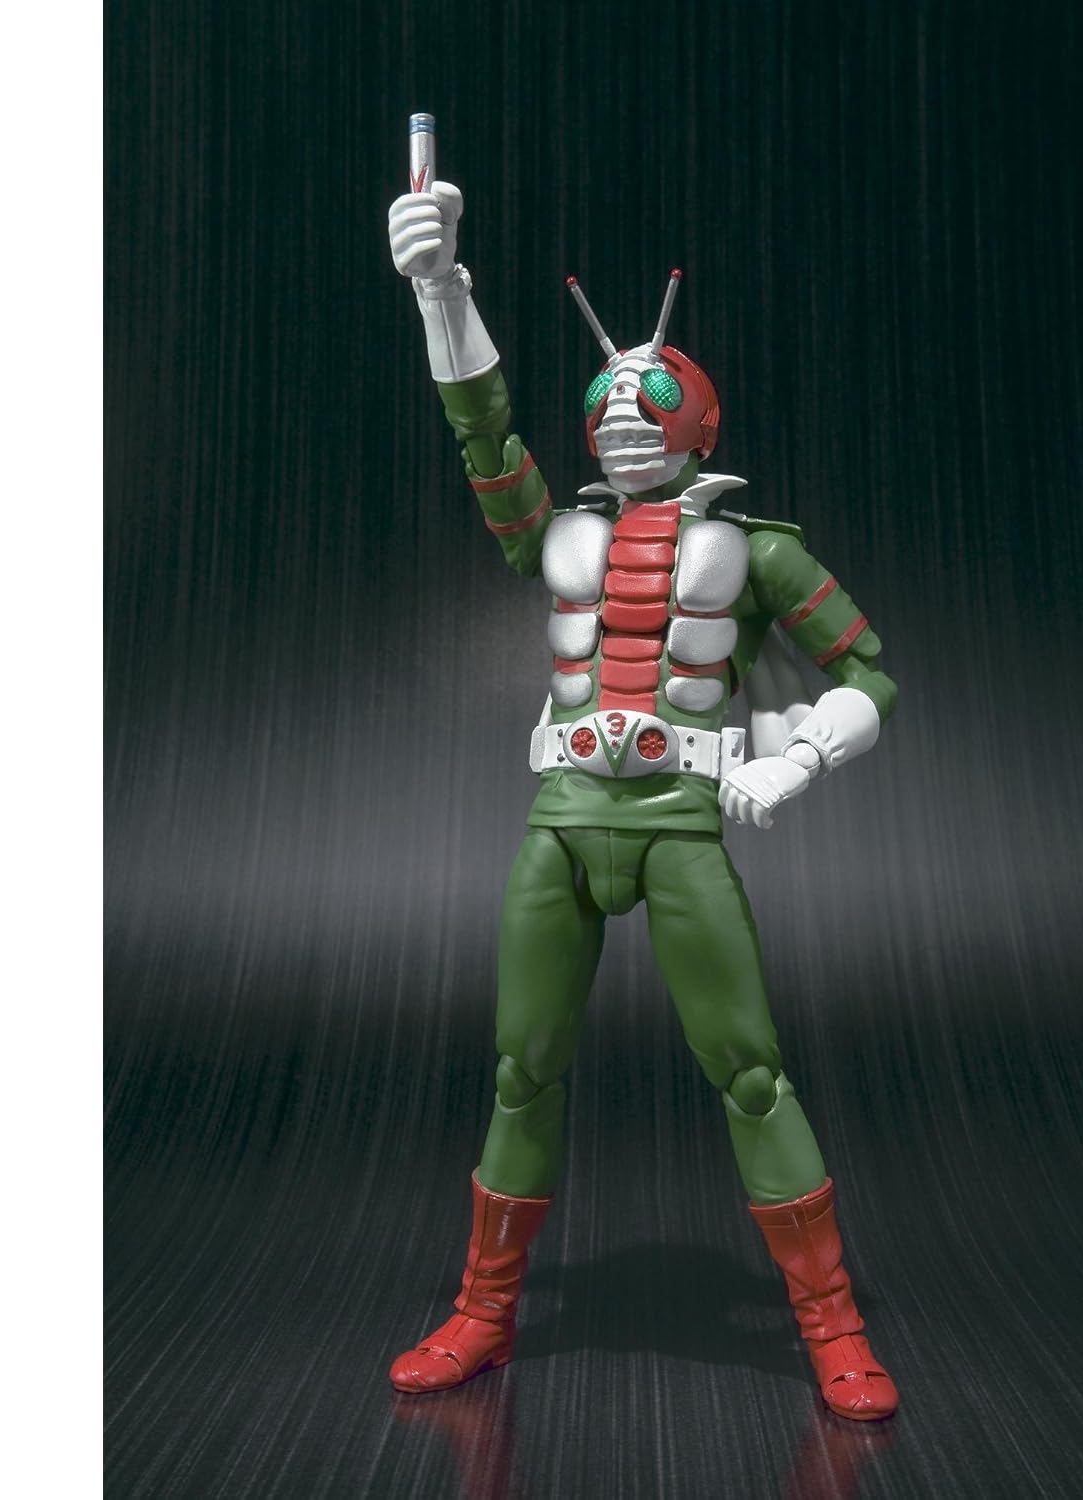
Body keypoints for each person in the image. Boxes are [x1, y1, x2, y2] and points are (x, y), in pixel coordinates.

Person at [384, 170, 901, 1421]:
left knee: (751, 1072)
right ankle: (484, 1311)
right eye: (605, 396)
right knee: (522, 1070)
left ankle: (832, 1324)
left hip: (679, 825)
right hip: (563, 823)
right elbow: (483, 437)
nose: (623, 412)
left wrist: (795, 759)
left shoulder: (757, 552)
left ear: (702, 422)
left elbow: (870, 676)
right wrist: (441, 289)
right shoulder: (556, 536)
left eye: (654, 394)